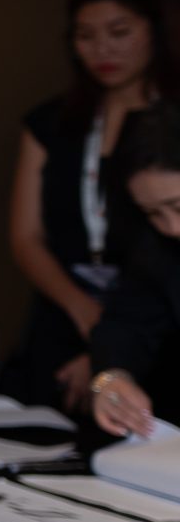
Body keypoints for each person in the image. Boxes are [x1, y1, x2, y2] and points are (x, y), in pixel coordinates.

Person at [4, 0, 177, 409]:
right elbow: (26, 238)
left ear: (156, 30)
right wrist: (107, 356)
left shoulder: (169, 126)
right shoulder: (54, 122)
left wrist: (107, 355)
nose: (102, 49)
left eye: (119, 32)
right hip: (76, 318)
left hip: (159, 338)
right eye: (85, 36)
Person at [87, 100, 180, 438]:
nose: (172, 228)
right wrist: (113, 378)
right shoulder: (160, 246)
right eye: (153, 213)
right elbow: (127, 321)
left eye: (178, 206)